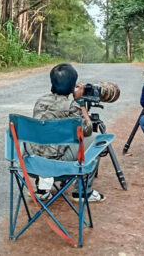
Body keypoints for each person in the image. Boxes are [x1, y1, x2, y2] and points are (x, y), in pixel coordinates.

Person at [31, 63, 104, 203]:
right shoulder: (71, 106)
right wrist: (80, 103)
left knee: (47, 140)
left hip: (34, 162)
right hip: (57, 163)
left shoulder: (40, 101)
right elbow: (88, 129)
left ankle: (42, 190)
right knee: (97, 141)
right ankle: (82, 192)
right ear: (72, 87)